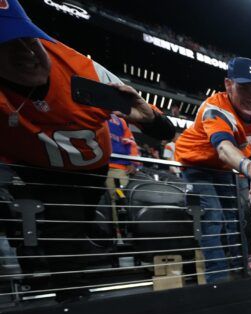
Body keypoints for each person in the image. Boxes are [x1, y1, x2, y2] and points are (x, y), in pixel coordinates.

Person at [0, 0, 173, 297]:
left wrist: (150, 119)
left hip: (90, 168)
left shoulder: (84, 71)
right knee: (59, 239)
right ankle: (70, 301)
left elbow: (164, 130)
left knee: (82, 229)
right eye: (8, 43)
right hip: (33, 167)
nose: (27, 53)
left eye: (28, 39)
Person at [174, 57, 251, 282]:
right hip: (196, 164)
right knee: (213, 217)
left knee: (236, 217)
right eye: (243, 88)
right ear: (228, 85)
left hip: (224, 168)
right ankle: (216, 282)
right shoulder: (215, 109)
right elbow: (224, 148)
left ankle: (242, 274)